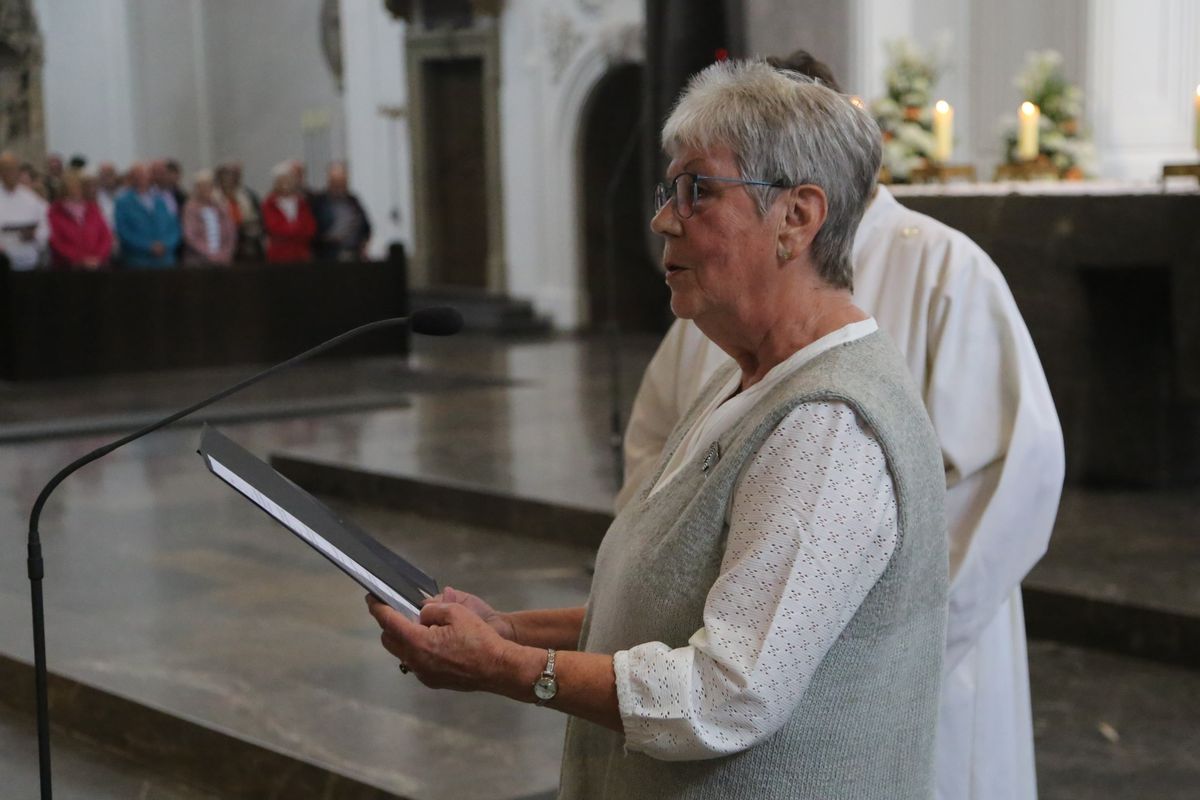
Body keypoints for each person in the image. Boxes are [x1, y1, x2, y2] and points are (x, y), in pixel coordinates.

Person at [366, 60, 948, 799]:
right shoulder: (748, 380)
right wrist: (513, 630)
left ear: (797, 217)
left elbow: (725, 695)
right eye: (669, 191)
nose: (664, 218)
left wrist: (507, 670)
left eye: (698, 190)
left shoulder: (828, 429)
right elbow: (671, 606)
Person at [619, 50, 1066, 800]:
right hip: (726, 672)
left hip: (904, 669)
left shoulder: (947, 269)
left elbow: (1012, 480)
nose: (671, 216)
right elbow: (657, 457)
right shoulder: (714, 291)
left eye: (700, 187)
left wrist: (862, 647)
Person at [114, 161, 180, 268]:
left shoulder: (161, 200)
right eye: (138, 175)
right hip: (138, 261)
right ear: (131, 178)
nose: (142, 178)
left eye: (145, 175)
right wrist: (148, 247)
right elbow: (123, 231)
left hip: (165, 260)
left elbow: (174, 227)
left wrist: (166, 244)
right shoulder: (123, 202)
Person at [47, 169, 112, 269]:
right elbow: (55, 241)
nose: (76, 190)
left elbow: (105, 236)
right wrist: (80, 259)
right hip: (67, 268)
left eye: (79, 186)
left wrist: (98, 257)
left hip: (96, 266)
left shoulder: (93, 209)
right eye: (72, 186)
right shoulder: (54, 211)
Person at [311, 161, 371, 261]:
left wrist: (363, 244)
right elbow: (313, 231)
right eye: (335, 182)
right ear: (329, 181)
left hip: (354, 254)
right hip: (327, 257)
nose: (339, 186)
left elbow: (366, 227)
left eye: (342, 182)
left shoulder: (353, 201)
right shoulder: (319, 202)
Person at [0, 151, 49, 270]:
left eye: (13, 169)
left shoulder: (31, 198)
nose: (10, 173)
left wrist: (35, 235)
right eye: (6, 169)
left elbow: (46, 225)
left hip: (29, 261)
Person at [261, 162, 316, 263]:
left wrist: (293, 231)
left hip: (301, 255)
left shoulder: (302, 203)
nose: (285, 184)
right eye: (282, 180)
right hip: (278, 257)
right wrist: (296, 230)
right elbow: (274, 228)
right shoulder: (269, 204)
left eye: (289, 180)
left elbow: (310, 229)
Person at [181, 169, 235, 265]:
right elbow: (190, 236)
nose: (205, 189)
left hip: (222, 259)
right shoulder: (190, 208)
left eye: (208, 186)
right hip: (199, 260)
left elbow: (230, 232)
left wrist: (225, 252)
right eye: (201, 186)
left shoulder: (220, 206)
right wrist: (210, 254)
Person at [216, 161, 264, 262]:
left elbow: (258, 219)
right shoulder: (212, 197)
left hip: (246, 241)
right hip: (221, 241)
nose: (229, 178)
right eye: (226, 174)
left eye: (233, 174)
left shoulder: (249, 195)